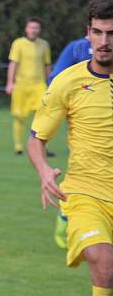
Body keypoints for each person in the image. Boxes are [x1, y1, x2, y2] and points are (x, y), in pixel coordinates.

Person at [27, 0, 113, 296]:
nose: (105, 41)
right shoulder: (68, 81)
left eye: (112, 33)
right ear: (87, 34)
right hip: (84, 192)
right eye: (98, 32)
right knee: (103, 267)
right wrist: (45, 170)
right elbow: (37, 139)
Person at [47, 34, 93, 249]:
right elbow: (55, 78)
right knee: (86, 171)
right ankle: (65, 216)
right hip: (86, 125)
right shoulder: (77, 49)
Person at [6, 17, 51, 156]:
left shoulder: (44, 45)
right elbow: (13, 64)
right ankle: (18, 146)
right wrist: (10, 83)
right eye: (31, 27)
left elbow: (47, 65)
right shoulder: (18, 44)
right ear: (26, 29)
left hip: (39, 85)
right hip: (21, 85)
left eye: (36, 28)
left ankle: (41, 146)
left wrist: (50, 84)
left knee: (43, 117)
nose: (33, 30)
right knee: (19, 116)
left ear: (39, 30)